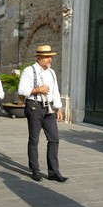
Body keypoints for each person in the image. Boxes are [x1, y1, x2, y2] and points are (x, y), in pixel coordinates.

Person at [18, 45, 68, 182]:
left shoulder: (51, 72)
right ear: (38, 58)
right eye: (47, 57)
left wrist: (58, 108)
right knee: (34, 139)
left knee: (54, 139)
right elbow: (22, 90)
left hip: (48, 108)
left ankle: (53, 171)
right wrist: (37, 89)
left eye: (50, 56)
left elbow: (55, 91)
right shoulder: (29, 71)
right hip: (34, 106)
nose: (50, 59)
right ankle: (35, 169)